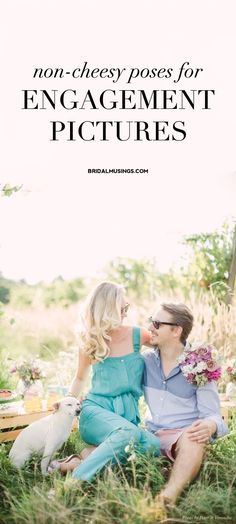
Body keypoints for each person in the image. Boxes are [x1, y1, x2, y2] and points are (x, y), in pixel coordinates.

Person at [49, 281, 160, 479]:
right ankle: (74, 482)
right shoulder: (90, 340)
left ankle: (82, 459)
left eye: (127, 307)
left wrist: (194, 359)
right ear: (109, 308)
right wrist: (65, 403)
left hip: (127, 414)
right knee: (128, 435)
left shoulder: (138, 334)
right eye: (122, 307)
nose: (126, 312)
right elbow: (80, 377)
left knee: (154, 445)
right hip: (95, 412)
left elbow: (166, 349)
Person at [143, 302, 228, 507]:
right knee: (102, 445)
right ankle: (66, 466)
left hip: (182, 437)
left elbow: (213, 416)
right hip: (150, 433)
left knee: (194, 437)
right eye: (150, 321)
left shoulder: (200, 365)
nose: (150, 328)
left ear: (176, 330)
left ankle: (167, 498)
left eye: (156, 323)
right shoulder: (144, 361)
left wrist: (211, 426)